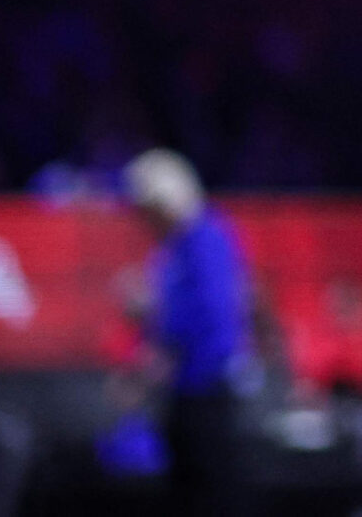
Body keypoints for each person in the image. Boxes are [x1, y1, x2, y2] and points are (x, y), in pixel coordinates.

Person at [123, 150, 251, 517]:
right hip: (181, 388)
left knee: (213, 489)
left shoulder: (205, 237)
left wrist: (161, 331)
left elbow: (212, 312)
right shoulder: (172, 248)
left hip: (207, 385)